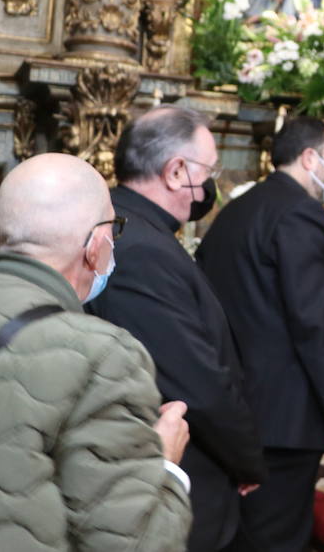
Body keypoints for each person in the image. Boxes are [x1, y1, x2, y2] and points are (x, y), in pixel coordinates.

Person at [0, 153, 193, 551]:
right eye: (114, 229)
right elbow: (136, 543)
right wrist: (165, 466)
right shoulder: (105, 356)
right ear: (96, 245)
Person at [87, 106, 268, 552]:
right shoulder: (140, 247)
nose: (209, 186)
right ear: (175, 172)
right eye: (207, 171)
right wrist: (247, 461)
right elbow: (195, 381)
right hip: (178, 480)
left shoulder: (138, 230)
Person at [196, 116, 324, 551]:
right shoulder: (301, 213)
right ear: (309, 157)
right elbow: (313, 323)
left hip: (232, 408)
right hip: (283, 419)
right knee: (278, 539)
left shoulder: (237, 210)